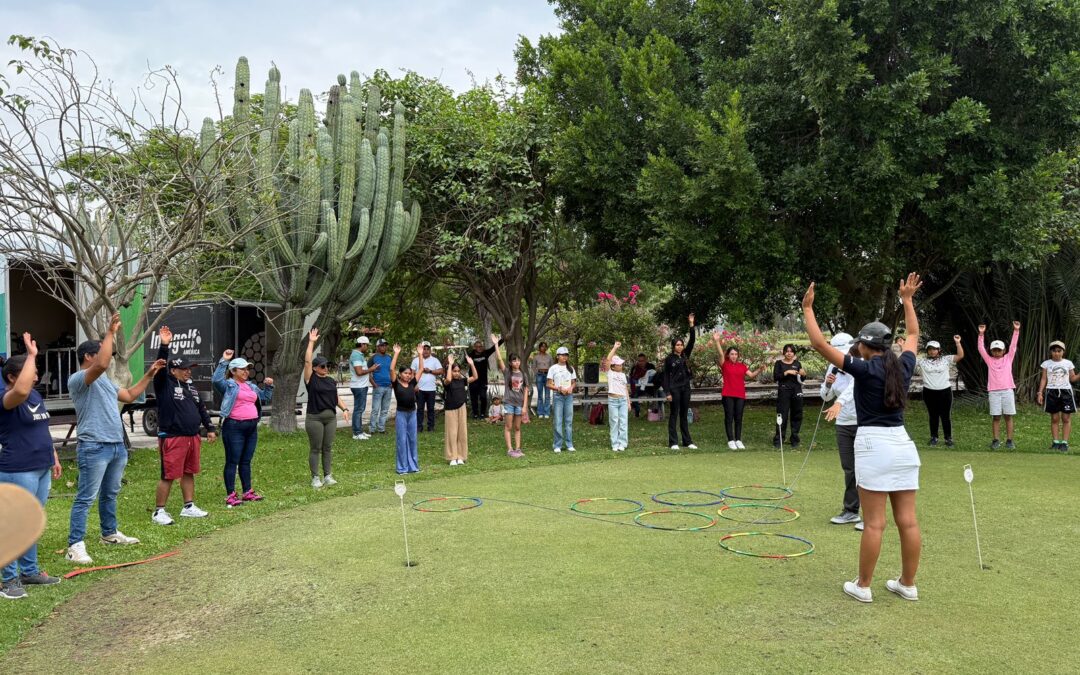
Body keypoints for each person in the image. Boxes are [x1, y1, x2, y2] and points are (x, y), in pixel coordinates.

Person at [804, 273, 924, 604]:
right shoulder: (902, 366)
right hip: (903, 444)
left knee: (874, 523)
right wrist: (908, 300)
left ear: (863, 346)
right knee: (908, 521)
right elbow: (913, 333)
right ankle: (908, 584)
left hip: (873, 445)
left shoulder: (863, 368)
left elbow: (819, 345)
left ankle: (863, 585)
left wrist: (808, 309)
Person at [67, 313, 165, 565]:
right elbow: (99, 365)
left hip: (115, 446)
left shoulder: (106, 383)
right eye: (103, 352)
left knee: (110, 493)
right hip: (94, 446)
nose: (109, 357)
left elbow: (130, 395)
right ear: (89, 356)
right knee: (85, 497)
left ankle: (109, 533)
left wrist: (150, 374)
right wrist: (109, 332)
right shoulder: (80, 379)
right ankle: (75, 545)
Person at [0, 334, 62, 599]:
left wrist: (54, 457)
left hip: (41, 466)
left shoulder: (36, 395)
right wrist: (32, 355)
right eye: (31, 372)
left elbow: (42, 427)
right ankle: (8, 579)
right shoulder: (7, 398)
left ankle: (29, 572)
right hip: (17, 468)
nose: (36, 377)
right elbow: (22, 390)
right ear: (13, 377)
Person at [151, 326, 216, 525]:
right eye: (185, 368)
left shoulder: (191, 387)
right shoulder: (165, 384)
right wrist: (164, 345)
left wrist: (210, 428)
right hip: (172, 436)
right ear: (173, 370)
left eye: (190, 368)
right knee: (169, 474)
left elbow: (201, 408)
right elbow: (160, 367)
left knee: (189, 471)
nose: (189, 371)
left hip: (192, 436)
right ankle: (159, 511)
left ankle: (188, 506)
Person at [212, 349, 274, 507]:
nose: (246, 372)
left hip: (251, 428)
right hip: (234, 427)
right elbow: (216, 380)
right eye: (243, 369)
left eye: (248, 369)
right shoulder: (229, 385)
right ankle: (231, 495)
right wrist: (224, 361)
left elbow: (265, 398)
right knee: (233, 461)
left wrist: (269, 386)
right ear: (233, 371)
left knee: (246, 461)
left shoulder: (251, 386)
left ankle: (247, 492)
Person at [820, 334, 862, 528]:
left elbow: (854, 388)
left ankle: (871, 515)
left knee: (867, 468)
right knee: (849, 468)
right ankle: (851, 511)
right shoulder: (833, 367)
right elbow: (825, 396)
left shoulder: (859, 363)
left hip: (863, 421)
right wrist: (828, 383)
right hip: (843, 424)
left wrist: (839, 402)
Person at [303, 328, 350, 489]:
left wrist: (344, 409)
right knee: (316, 448)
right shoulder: (311, 379)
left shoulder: (330, 381)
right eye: (322, 366)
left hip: (330, 418)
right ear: (316, 368)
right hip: (314, 418)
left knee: (328, 447)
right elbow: (308, 361)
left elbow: (335, 397)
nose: (326, 368)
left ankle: (328, 475)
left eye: (327, 366)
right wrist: (311, 342)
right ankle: (315, 477)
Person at [711, 332, 767, 450]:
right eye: (732, 354)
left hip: (740, 395)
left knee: (739, 417)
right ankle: (731, 440)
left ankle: (738, 440)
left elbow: (751, 375)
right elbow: (720, 354)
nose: (734, 356)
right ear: (728, 355)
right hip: (728, 395)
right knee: (729, 417)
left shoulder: (742, 366)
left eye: (736, 354)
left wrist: (760, 369)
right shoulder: (725, 364)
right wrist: (717, 341)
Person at [978, 321, 1021, 449]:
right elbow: (981, 349)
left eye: (999, 350)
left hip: (1007, 390)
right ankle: (996, 440)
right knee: (996, 417)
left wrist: (1016, 331)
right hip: (994, 391)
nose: (996, 352)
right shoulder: (989, 360)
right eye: (994, 350)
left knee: (1008, 416)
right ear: (991, 351)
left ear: (1004, 351)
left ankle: (1009, 440)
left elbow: (1013, 346)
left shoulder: (1008, 358)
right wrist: (981, 334)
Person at [917, 336, 964, 447]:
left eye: (934, 349)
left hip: (945, 391)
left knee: (945, 415)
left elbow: (960, 356)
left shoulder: (946, 359)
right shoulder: (922, 361)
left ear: (939, 350)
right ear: (927, 350)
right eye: (930, 349)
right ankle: (934, 437)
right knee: (933, 415)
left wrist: (958, 343)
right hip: (929, 392)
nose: (932, 351)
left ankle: (948, 438)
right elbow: (909, 356)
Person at [662, 314, 697, 450]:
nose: (680, 346)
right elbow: (665, 376)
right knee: (674, 414)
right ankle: (673, 442)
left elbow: (692, 340)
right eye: (677, 345)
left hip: (685, 388)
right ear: (673, 346)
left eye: (681, 344)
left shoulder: (685, 355)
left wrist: (691, 324)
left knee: (684, 414)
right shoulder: (669, 359)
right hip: (674, 389)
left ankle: (687, 441)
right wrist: (667, 392)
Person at [1036, 341, 1079, 452]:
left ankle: (1064, 443)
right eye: (1054, 351)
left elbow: (1072, 378)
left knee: (1066, 418)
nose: (1056, 353)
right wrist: (1040, 392)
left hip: (1066, 392)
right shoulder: (1046, 363)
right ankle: (1055, 442)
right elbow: (1044, 379)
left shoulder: (1068, 363)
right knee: (1054, 418)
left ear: (1063, 352)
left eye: (1059, 351)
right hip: (1051, 392)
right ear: (1051, 352)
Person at [493, 335, 530, 457]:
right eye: (514, 360)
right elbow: (499, 360)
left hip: (519, 404)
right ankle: (510, 449)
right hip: (509, 403)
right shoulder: (507, 372)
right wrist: (496, 345)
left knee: (518, 427)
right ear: (510, 362)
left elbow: (525, 390)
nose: (517, 362)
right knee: (508, 426)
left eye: (518, 360)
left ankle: (518, 449)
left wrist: (525, 406)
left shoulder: (523, 374)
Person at [390, 344, 420, 474]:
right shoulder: (396, 384)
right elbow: (391, 368)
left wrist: (420, 354)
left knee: (412, 439)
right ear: (400, 374)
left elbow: (422, 369)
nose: (408, 375)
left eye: (409, 374)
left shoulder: (412, 383)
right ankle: (402, 467)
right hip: (401, 414)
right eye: (405, 373)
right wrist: (396, 353)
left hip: (412, 413)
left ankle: (413, 466)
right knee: (402, 440)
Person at [443, 353, 478, 465]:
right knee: (452, 433)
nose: (457, 373)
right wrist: (450, 364)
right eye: (454, 371)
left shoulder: (462, 381)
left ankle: (461, 456)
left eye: (458, 371)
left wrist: (472, 364)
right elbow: (448, 378)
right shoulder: (447, 381)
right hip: (450, 409)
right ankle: (452, 457)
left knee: (462, 432)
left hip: (462, 407)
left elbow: (475, 377)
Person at [772, 344, 806, 448]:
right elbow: (776, 377)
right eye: (787, 351)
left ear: (794, 353)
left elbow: (802, 379)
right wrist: (786, 372)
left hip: (796, 391)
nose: (789, 353)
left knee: (797, 415)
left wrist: (803, 374)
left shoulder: (797, 363)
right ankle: (779, 439)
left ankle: (794, 439)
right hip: (784, 391)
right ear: (784, 352)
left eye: (791, 351)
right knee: (782, 415)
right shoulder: (779, 364)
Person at [547, 346, 577, 453]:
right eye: (562, 355)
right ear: (557, 356)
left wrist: (570, 388)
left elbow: (574, 382)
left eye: (566, 355)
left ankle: (569, 444)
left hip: (568, 396)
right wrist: (558, 388)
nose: (565, 357)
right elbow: (549, 384)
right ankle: (557, 445)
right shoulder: (553, 368)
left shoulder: (570, 368)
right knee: (558, 421)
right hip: (558, 396)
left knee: (568, 421)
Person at [410, 342, 443, 433]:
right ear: (421, 350)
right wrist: (414, 385)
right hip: (419, 389)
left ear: (430, 350)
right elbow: (412, 373)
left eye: (428, 349)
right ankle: (419, 427)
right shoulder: (416, 360)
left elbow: (441, 370)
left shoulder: (435, 360)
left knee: (431, 409)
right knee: (420, 409)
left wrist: (430, 371)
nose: (426, 351)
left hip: (431, 389)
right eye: (424, 349)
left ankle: (430, 427)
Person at [349, 336, 377, 440]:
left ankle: (359, 431)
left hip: (361, 385)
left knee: (360, 409)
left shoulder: (359, 355)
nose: (367, 347)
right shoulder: (356, 356)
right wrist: (372, 369)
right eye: (367, 345)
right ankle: (356, 433)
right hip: (359, 386)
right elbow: (359, 372)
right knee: (358, 409)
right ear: (362, 345)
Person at [466, 337, 502, 419]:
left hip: (483, 381)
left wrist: (501, 340)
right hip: (473, 380)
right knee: (474, 398)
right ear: (474, 347)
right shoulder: (471, 355)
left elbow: (493, 348)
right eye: (477, 347)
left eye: (480, 346)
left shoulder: (485, 353)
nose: (479, 348)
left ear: (482, 347)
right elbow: (465, 361)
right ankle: (475, 414)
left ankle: (482, 413)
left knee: (483, 397)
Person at [604, 342, 630, 452]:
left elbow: (625, 389)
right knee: (614, 422)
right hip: (613, 400)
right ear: (613, 367)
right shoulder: (610, 373)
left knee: (623, 422)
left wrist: (629, 402)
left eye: (621, 364)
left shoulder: (623, 375)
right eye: (619, 364)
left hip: (623, 400)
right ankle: (614, 443)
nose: (621, 366)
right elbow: (608, 360)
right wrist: (614, 347)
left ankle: (622, 443)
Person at [368, 339, 394, 434]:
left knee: (385, 409)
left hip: (388, 387)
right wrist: (373, 383)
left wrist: (393, 382)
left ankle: (381, 428)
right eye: (382, 345)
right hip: (378, 387)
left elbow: (392, 371)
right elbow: (367, 372)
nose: (384, 347)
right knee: (375, 409)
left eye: (385, 345)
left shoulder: (389, 358)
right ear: (377, 347)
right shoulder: (373, 358)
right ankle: (372, 429)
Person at [531, 342, 554, 419]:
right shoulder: (536, 357)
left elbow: (552, 367)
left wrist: (551, 377)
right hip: (539, 375)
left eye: (545, 346)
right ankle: (540, 412)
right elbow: (533, 367)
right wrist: (536, 374)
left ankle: (547, 412)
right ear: (539, 347)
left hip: (548, 376)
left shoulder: (549, 357)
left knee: (547, 395)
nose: (543, 348)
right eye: (542, 346)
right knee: (540, 395)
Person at [629, 353, 656, 418]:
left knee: (634, 393)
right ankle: (637, 411)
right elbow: (631, 377)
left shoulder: (651, 366)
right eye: (639, 361)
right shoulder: (635, 367)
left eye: (642, 361)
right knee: (633, 395)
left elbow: (653, 376)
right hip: (638, 388)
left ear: (646, 360)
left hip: (649, 388)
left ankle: (653, 413)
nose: (640, 363)